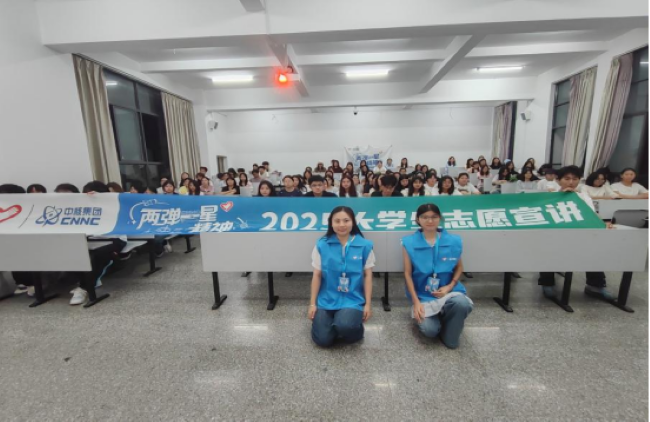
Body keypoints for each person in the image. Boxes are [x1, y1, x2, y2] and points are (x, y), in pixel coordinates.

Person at [402, 203, 473, 349]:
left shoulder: (453, 241)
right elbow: (407, 274)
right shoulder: (409, 242)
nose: (430, 221)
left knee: (461, 304)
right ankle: (442, 317)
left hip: (448, 292)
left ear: (439, 218)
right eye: (425, 217)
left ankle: (450, 319)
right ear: (418, 219)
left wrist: (449, 286)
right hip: (423, 295)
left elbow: (459, 267)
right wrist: (416, 302)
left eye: (434, 217)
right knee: (430, 331)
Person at [538, 166, 614, 301]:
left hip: (580, 234)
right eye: (567, 179)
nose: (571, 182)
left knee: (593, 252)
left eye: (575, 179)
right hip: (555, 235)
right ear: (558, 180)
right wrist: (561, 196)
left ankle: (595, 286)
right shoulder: (550, 196)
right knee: (547, 251)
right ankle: (547, 283)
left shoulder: (583, 196)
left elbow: (591, 215)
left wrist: (602, 223)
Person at [309, 206, 375, 348]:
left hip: (352, 299)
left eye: (346, 220)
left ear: (353, 222)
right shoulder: (322, 244)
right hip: (327, 298)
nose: (342, 225)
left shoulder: (365, 246)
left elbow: (368, 276)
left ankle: (350, 328)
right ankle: (333, 326)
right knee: (323, 340)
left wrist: (368, 305)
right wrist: (312, 304)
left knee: (345, 326)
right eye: (337, 221)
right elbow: (317, 275)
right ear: (331, 223)